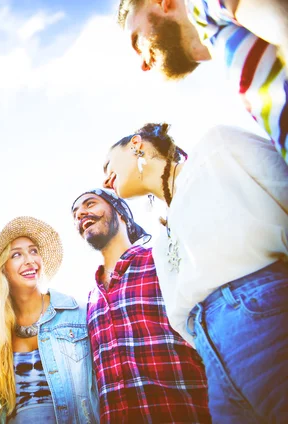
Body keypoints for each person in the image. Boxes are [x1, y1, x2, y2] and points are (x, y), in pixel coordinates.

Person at [103, 122, 288, 422]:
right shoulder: (162, 240)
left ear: (136, 144)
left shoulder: (216, 148)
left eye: (108, 163)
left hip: (264, 315)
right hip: (211, 360)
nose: (104, 176)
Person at [70, 188, 210, 424]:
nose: (81, 214)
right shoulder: (90, 300)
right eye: (75, 214)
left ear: (121, 213)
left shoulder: (161, 259)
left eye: (90, 204)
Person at [116, 0, 287, 163]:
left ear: (160, 2)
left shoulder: (200, 7)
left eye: (137, 41)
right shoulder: (222, 43)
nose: (143, 65)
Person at [0, 216, 99, 423]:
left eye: (33, 251)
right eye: (17, 254)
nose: (30, 260)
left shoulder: (76, 313)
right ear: (3, 269)